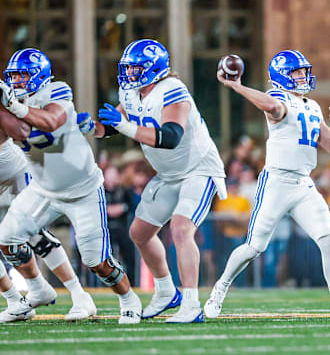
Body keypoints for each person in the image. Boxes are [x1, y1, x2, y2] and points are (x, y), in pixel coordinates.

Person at [204, 50, 330, 319]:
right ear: (283, 76)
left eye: (303, 71)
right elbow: (272, 107)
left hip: (303, 184)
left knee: (327, 240)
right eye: (297, 72)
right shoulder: (278, 98)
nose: (303, 76)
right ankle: (220, 288)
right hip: (276, 181)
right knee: (254, 247)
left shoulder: (311, 106)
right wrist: (236, 86)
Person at [80, 39, 227, 323]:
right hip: (170, 174)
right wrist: (92, 128)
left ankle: (191, 304)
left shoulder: (172, 90)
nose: (130, 74)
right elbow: (113, 126)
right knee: (140, 232)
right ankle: (165, 291)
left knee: (182, 229)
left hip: (198, 169)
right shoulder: (132, 92)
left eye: (136, 68)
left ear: (153, 68)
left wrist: (123, 126)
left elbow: (170, 137)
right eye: (128, 68)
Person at [0, 48, 141, 324]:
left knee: (97, 262)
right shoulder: (10, 104)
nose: (16, 82)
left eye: (21, 76)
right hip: (42, 190)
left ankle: (128, 298)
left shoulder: (56, 91)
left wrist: (13, 107)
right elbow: (18, 132)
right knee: (6, 239)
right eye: (12, 77)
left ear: (38, 75)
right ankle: (38, 290)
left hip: (82, 190)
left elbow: (49, 121)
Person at [0, 128, 97, 322]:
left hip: (11, 162)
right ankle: (20, 298)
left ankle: (77, 294)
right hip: (12, 161)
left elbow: (16, 126)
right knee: (28, 234)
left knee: (34, 232)